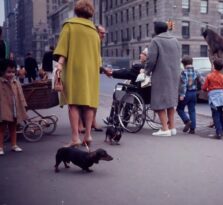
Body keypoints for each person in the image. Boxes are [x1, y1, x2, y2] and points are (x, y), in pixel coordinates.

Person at [53, 0, 101, 147]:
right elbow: (98, 56)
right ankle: (88, 135)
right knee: (89, 103)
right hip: (91, 71)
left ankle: (75, 137)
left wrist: (60, 64)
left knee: (73, 103)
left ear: (76, 11)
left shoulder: (70, 26)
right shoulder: (94, 31)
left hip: (74, 69)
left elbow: (63, 48)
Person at [145, 21, 181, 137]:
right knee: (171, 101)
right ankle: (172, 127)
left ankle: (165, 129)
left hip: (161, 75)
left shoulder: (155, 40)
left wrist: (146, 71)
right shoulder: (175, 40)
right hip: (174, 74)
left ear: (156, 30)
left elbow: (151, 60)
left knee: (159, 101)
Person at [103, 48, 150, 125]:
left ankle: (113, 119)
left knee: (118, 93)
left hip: (138, 94)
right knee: (128, 91)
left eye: (142, 53)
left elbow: (126, 73)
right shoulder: (151, 67)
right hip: (148, 96)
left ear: (146, 57)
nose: (140, 55)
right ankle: (124, 119)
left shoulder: (138, 67)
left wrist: (112, 73)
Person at [0, 59, 28, 155]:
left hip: (14, 108)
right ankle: (0, 147)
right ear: (2, 71)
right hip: (3, 108)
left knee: (13, 127)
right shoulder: (1, 82)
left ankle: (14, 145)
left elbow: (20, 94)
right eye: (8, 72)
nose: (11, 74)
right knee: (2, 128)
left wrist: (23, 104)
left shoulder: (16, 82)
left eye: (13, 72)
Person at [176, 56, 204, 134]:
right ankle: (192, 129)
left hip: (186, 93)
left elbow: (183, 84)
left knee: (180, 109)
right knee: (192, 110)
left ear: (183, 64)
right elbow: (202, 81)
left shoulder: (183, 72)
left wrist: (182, 95)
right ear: (192, 63)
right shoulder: (196, 71)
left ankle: (187, 121)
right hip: (194, 93)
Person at [201, 58, 223, 139]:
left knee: (215, 114)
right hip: (221, 95)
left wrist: (208, 89)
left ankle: (218, 132)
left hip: (213, 97)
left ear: (214, 66)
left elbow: (204, 87)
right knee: (221, 112)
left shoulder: (209, 76)